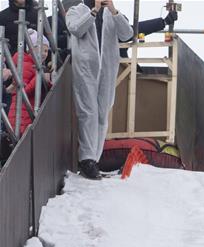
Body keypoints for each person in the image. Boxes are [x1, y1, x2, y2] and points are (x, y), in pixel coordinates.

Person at [63, 0, 132, 180]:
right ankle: (86, 159)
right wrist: (94, 11)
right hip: (86, 68)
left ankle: (94, 158)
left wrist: (113, 11)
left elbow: (127, 35)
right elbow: (76, 29)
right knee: (88, 112)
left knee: (102, 113)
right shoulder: (77, 10)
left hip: (107, 69)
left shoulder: (113, 14)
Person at [6, 28, 51, 135]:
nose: (44, 54)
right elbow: (22, 92)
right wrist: (39, 77)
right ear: (30, 49)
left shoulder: (33, 65)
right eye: (41, 49)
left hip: (24, 114)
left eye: (46, 51)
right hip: (21, 116)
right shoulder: (26, 65)